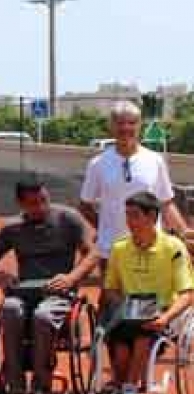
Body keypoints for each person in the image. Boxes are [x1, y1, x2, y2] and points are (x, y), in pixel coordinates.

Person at [0, 177, 96, 394]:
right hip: (24, 293)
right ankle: (15, 384)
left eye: (44, 200)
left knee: (43, 316)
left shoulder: (68, 218)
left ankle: (41, 384)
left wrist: (72, 277)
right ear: (21, 204)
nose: (41, 206)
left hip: (59, 293)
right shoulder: (12, 228)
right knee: (10, 310)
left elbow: (92, 253)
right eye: (33, 203)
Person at [102, 191, 193, 394]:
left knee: (145, 331)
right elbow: (111, 289)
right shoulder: (119, 248)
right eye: (127, 215)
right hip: (129, 311)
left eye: (135, 215)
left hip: (165, 311)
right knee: (121, 344)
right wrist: (123, 307)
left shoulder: (173, 247)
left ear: (152, 217)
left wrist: (165, 317)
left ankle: (129, 389)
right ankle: (122, 388)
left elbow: (187, 294)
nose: (129, 221)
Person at [79, 100, 189, 273]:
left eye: (131, 123)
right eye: (120, 123)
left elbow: (166, 203)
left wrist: (184, 232)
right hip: (111, 251)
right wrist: (105, 227)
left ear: (139, 126)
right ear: (111, 126)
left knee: (154, 299)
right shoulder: (97, 164)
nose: (125, 128)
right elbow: (85, 205)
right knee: (113, 299)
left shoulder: (155, 160)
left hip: (151, 249)